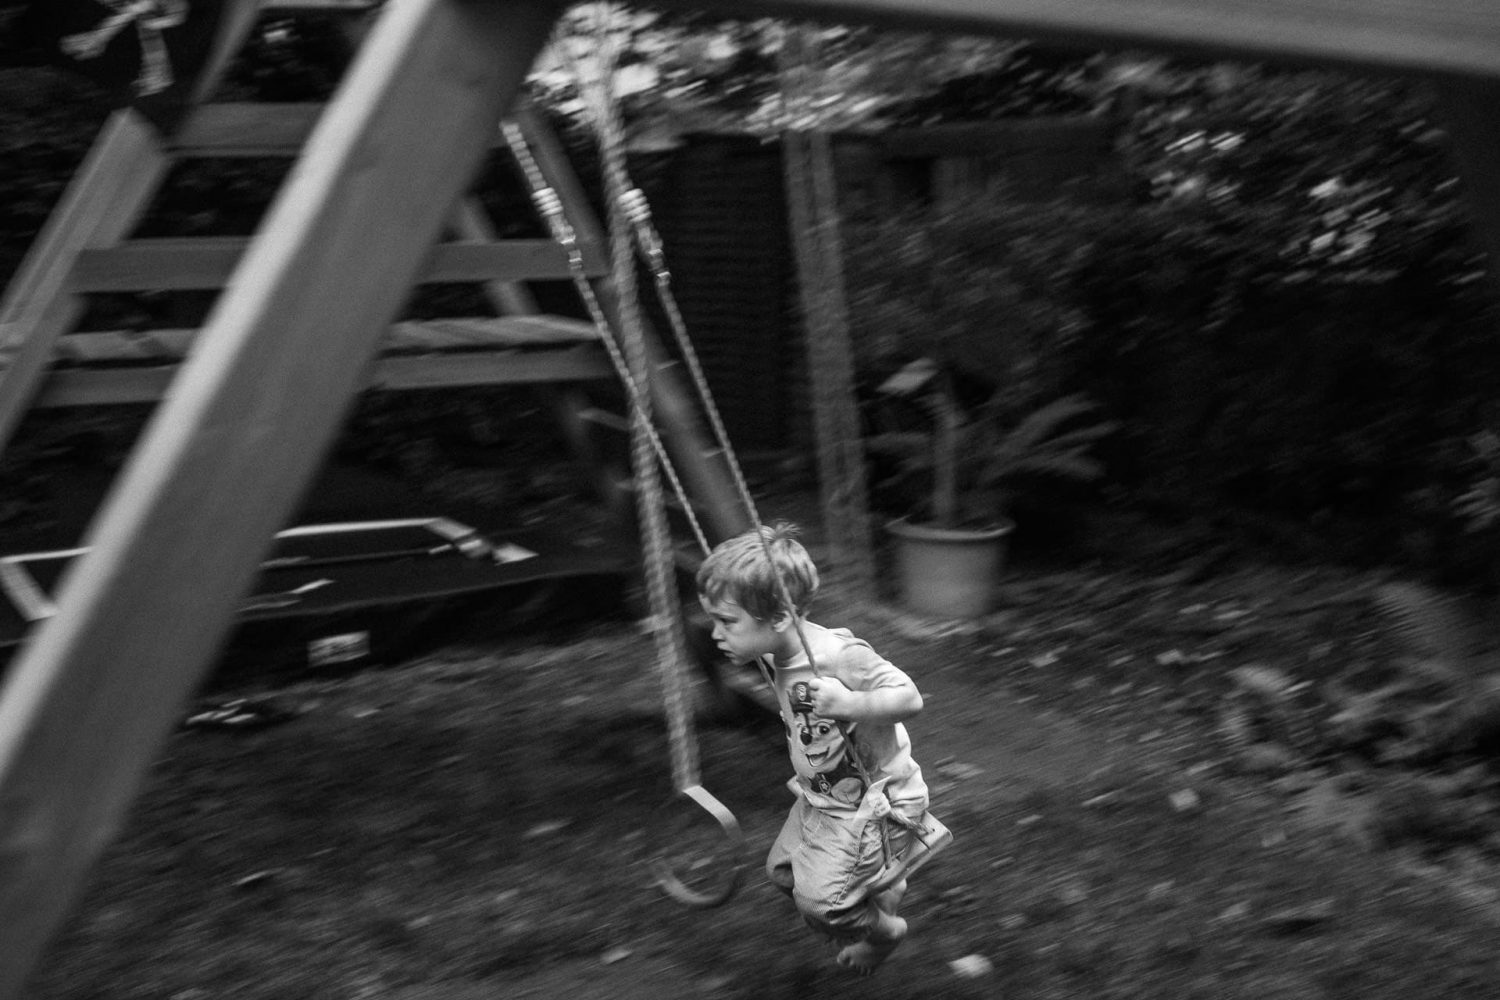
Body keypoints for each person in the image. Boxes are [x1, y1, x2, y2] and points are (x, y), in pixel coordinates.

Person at [696, 523, 945, 975]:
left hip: (874, 802)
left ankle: (885, 933)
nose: (715, 633)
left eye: (726, 622)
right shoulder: (778, 653)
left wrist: (848, 702)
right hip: (825, 797)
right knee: (782, 874)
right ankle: (884, 884)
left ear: (782, 619)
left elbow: (910, 698)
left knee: (822, 904)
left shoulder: (837, 656)